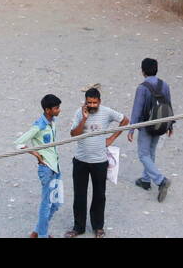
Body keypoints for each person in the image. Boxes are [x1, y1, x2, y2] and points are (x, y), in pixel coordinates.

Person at [66, 87, 128, 237]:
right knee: (79, 195)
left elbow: (125, 120)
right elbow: (74, 134)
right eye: (89, 103)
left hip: (100, 162)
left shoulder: (107, 112)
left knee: (99, 195)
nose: (92, 105)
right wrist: (84, 118)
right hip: (80, 161)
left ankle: (98, 227)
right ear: (85, 102)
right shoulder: (78, 113)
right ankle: (78, 227)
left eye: (95, 103)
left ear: (100, 101)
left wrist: (112, 138)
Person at [16, 93, 63, 238]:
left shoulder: (52, 121)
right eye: (56, 108)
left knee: (56, 204)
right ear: (48, 110)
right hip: (46, 169)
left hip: (56, 168)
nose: (59, 110)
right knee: (46, 205)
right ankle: (42, 235)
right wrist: (35, 154)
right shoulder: (39, 126)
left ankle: (37, 232)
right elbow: (19, 143)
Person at [128, 58, 173, 201]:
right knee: (151, 152)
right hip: (161, 123)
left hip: (147, 125)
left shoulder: (142, 88)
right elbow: (169, 104)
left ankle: (161, 180)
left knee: (143, 154)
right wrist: (170, 124)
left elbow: (137, 109)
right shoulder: (164, 85)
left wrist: (131, 129)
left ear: (143, 71)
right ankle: (146, 180)